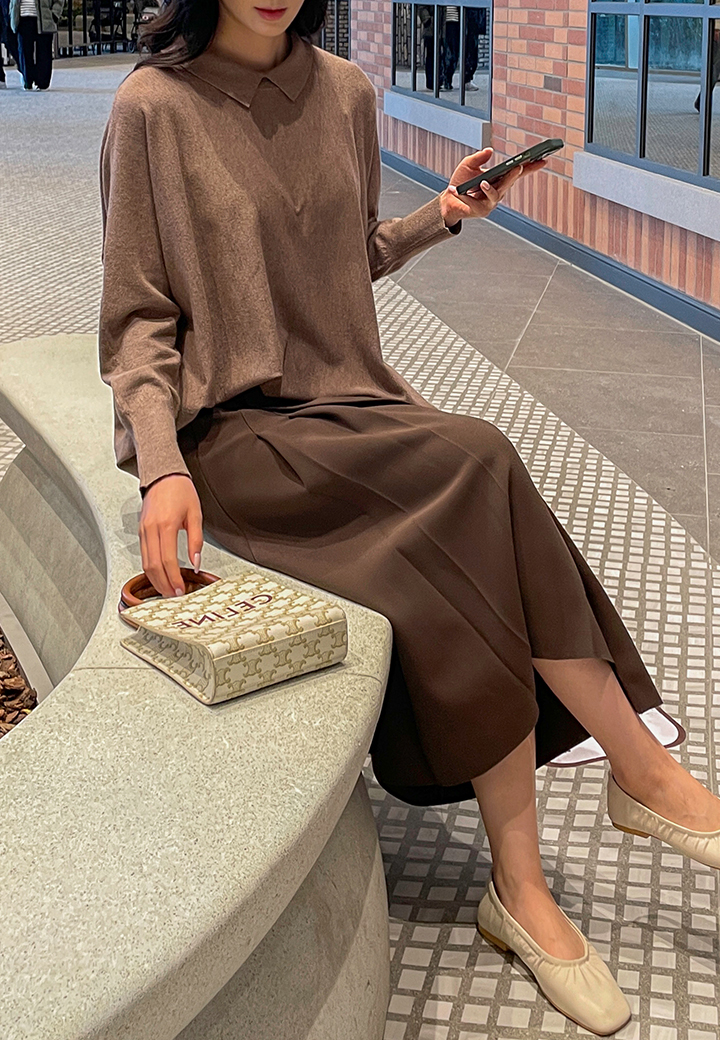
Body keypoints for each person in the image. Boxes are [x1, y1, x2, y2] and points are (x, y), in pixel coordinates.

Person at [98, 1, 720, 1033]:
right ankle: (635, 775)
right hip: (233, 436)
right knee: (476, 460)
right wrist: (161, 462)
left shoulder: (345, 91)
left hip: (347, 405)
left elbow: (345, 258)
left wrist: (443, 213)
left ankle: (527, 883)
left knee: (474, 487)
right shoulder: (151, 107)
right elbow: (136, 315)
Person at [9, 0, 64, 90]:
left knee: (44, 51)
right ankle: (27, 80)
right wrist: (12, 13)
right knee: (24, 52)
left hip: (44, 17)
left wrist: (55, 14)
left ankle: (42, 82)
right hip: (22, 17)